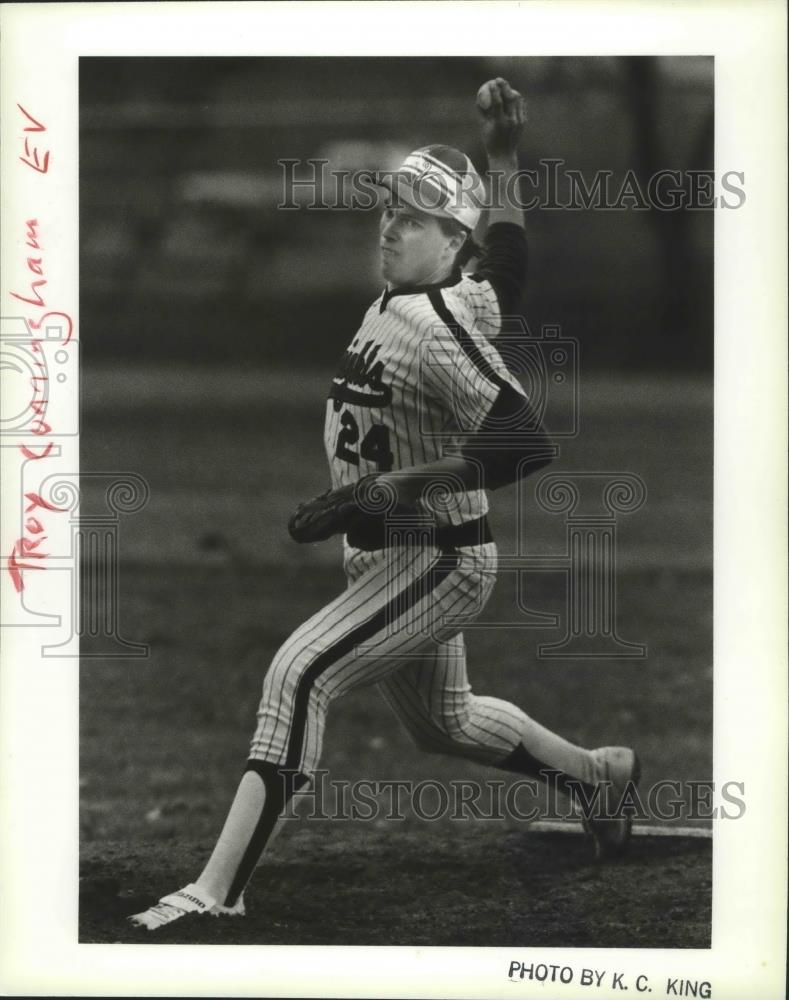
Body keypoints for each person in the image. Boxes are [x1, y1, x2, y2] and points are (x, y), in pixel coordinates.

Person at [131, 77, 639, 931]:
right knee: (445, 723)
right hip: (392, 552)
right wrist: (504, 153)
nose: (389, 225)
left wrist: (394, 487)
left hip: (437, 559)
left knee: (299, 675)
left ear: (450, 240)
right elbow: (508, 259)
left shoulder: (434, 325)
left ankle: (214, 895)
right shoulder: (445, 294)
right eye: (389, 208)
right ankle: (596, 776)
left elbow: (522, 442)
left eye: (412, 216)